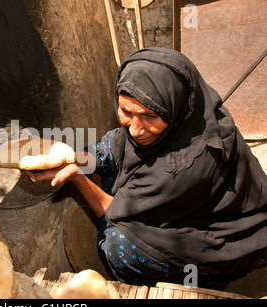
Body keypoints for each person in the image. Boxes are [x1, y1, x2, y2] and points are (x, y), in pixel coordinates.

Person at [22, 47, 267, 290]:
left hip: (221, 232)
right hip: (188, 198)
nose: (136, 129)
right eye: (126, 111)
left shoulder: (183, 167)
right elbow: (116, 146)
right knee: (110, 149)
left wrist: (78, 179)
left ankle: (197, 280)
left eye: (151, 115)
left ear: (176, 107)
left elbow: (111, 210)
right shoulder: (193, 114)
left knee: (118, 243)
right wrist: (66, 157)